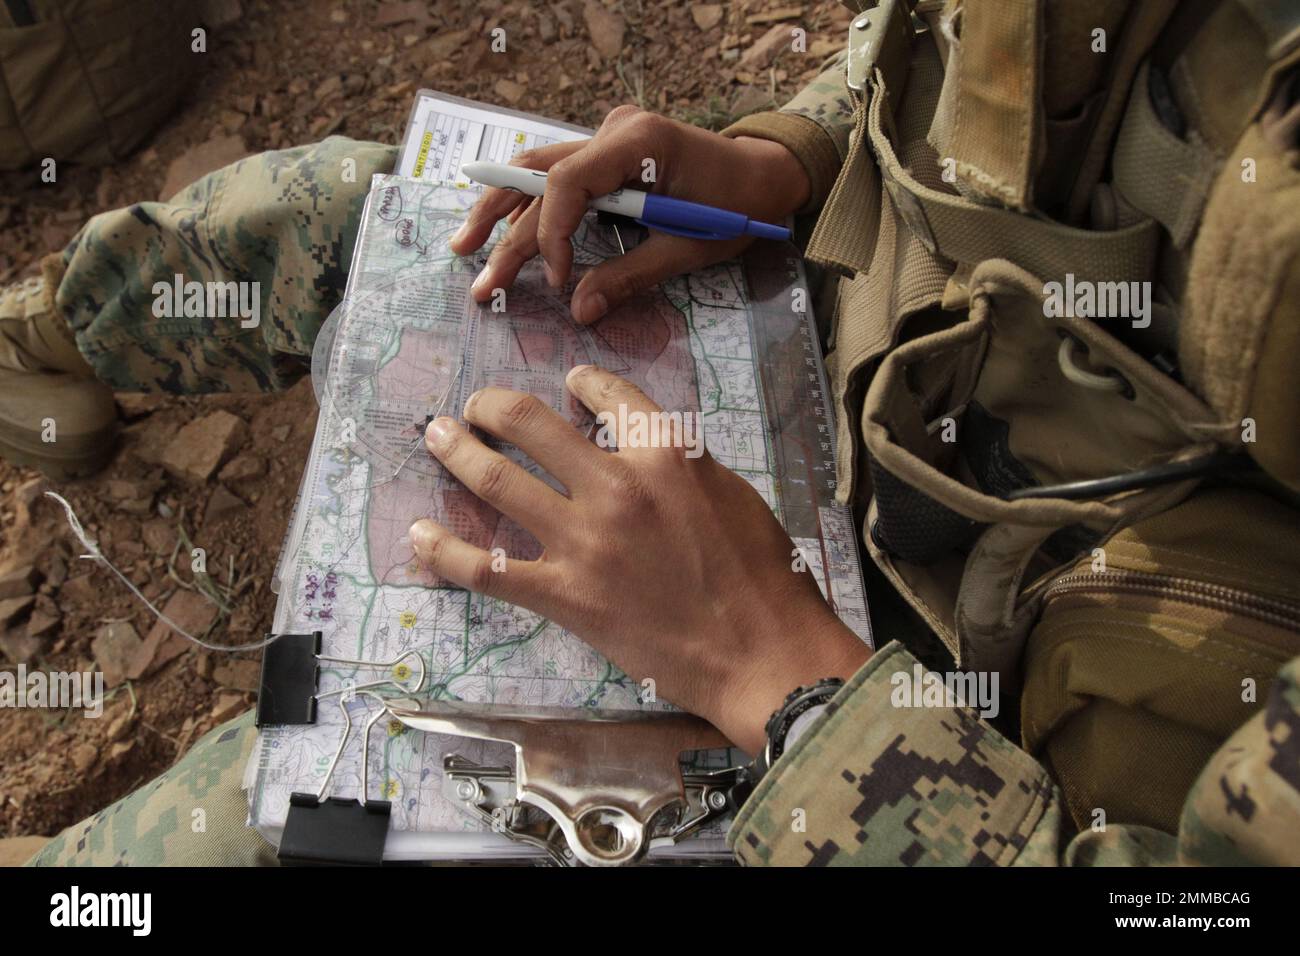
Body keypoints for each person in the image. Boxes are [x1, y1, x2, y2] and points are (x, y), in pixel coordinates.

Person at [11, 1, 1300, 866]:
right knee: (375, 214)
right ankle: (35, 342)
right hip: (837, 336)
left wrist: (777, 681)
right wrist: (786, 160)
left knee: (269, 817)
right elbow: (951, 63)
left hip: (940, 720)